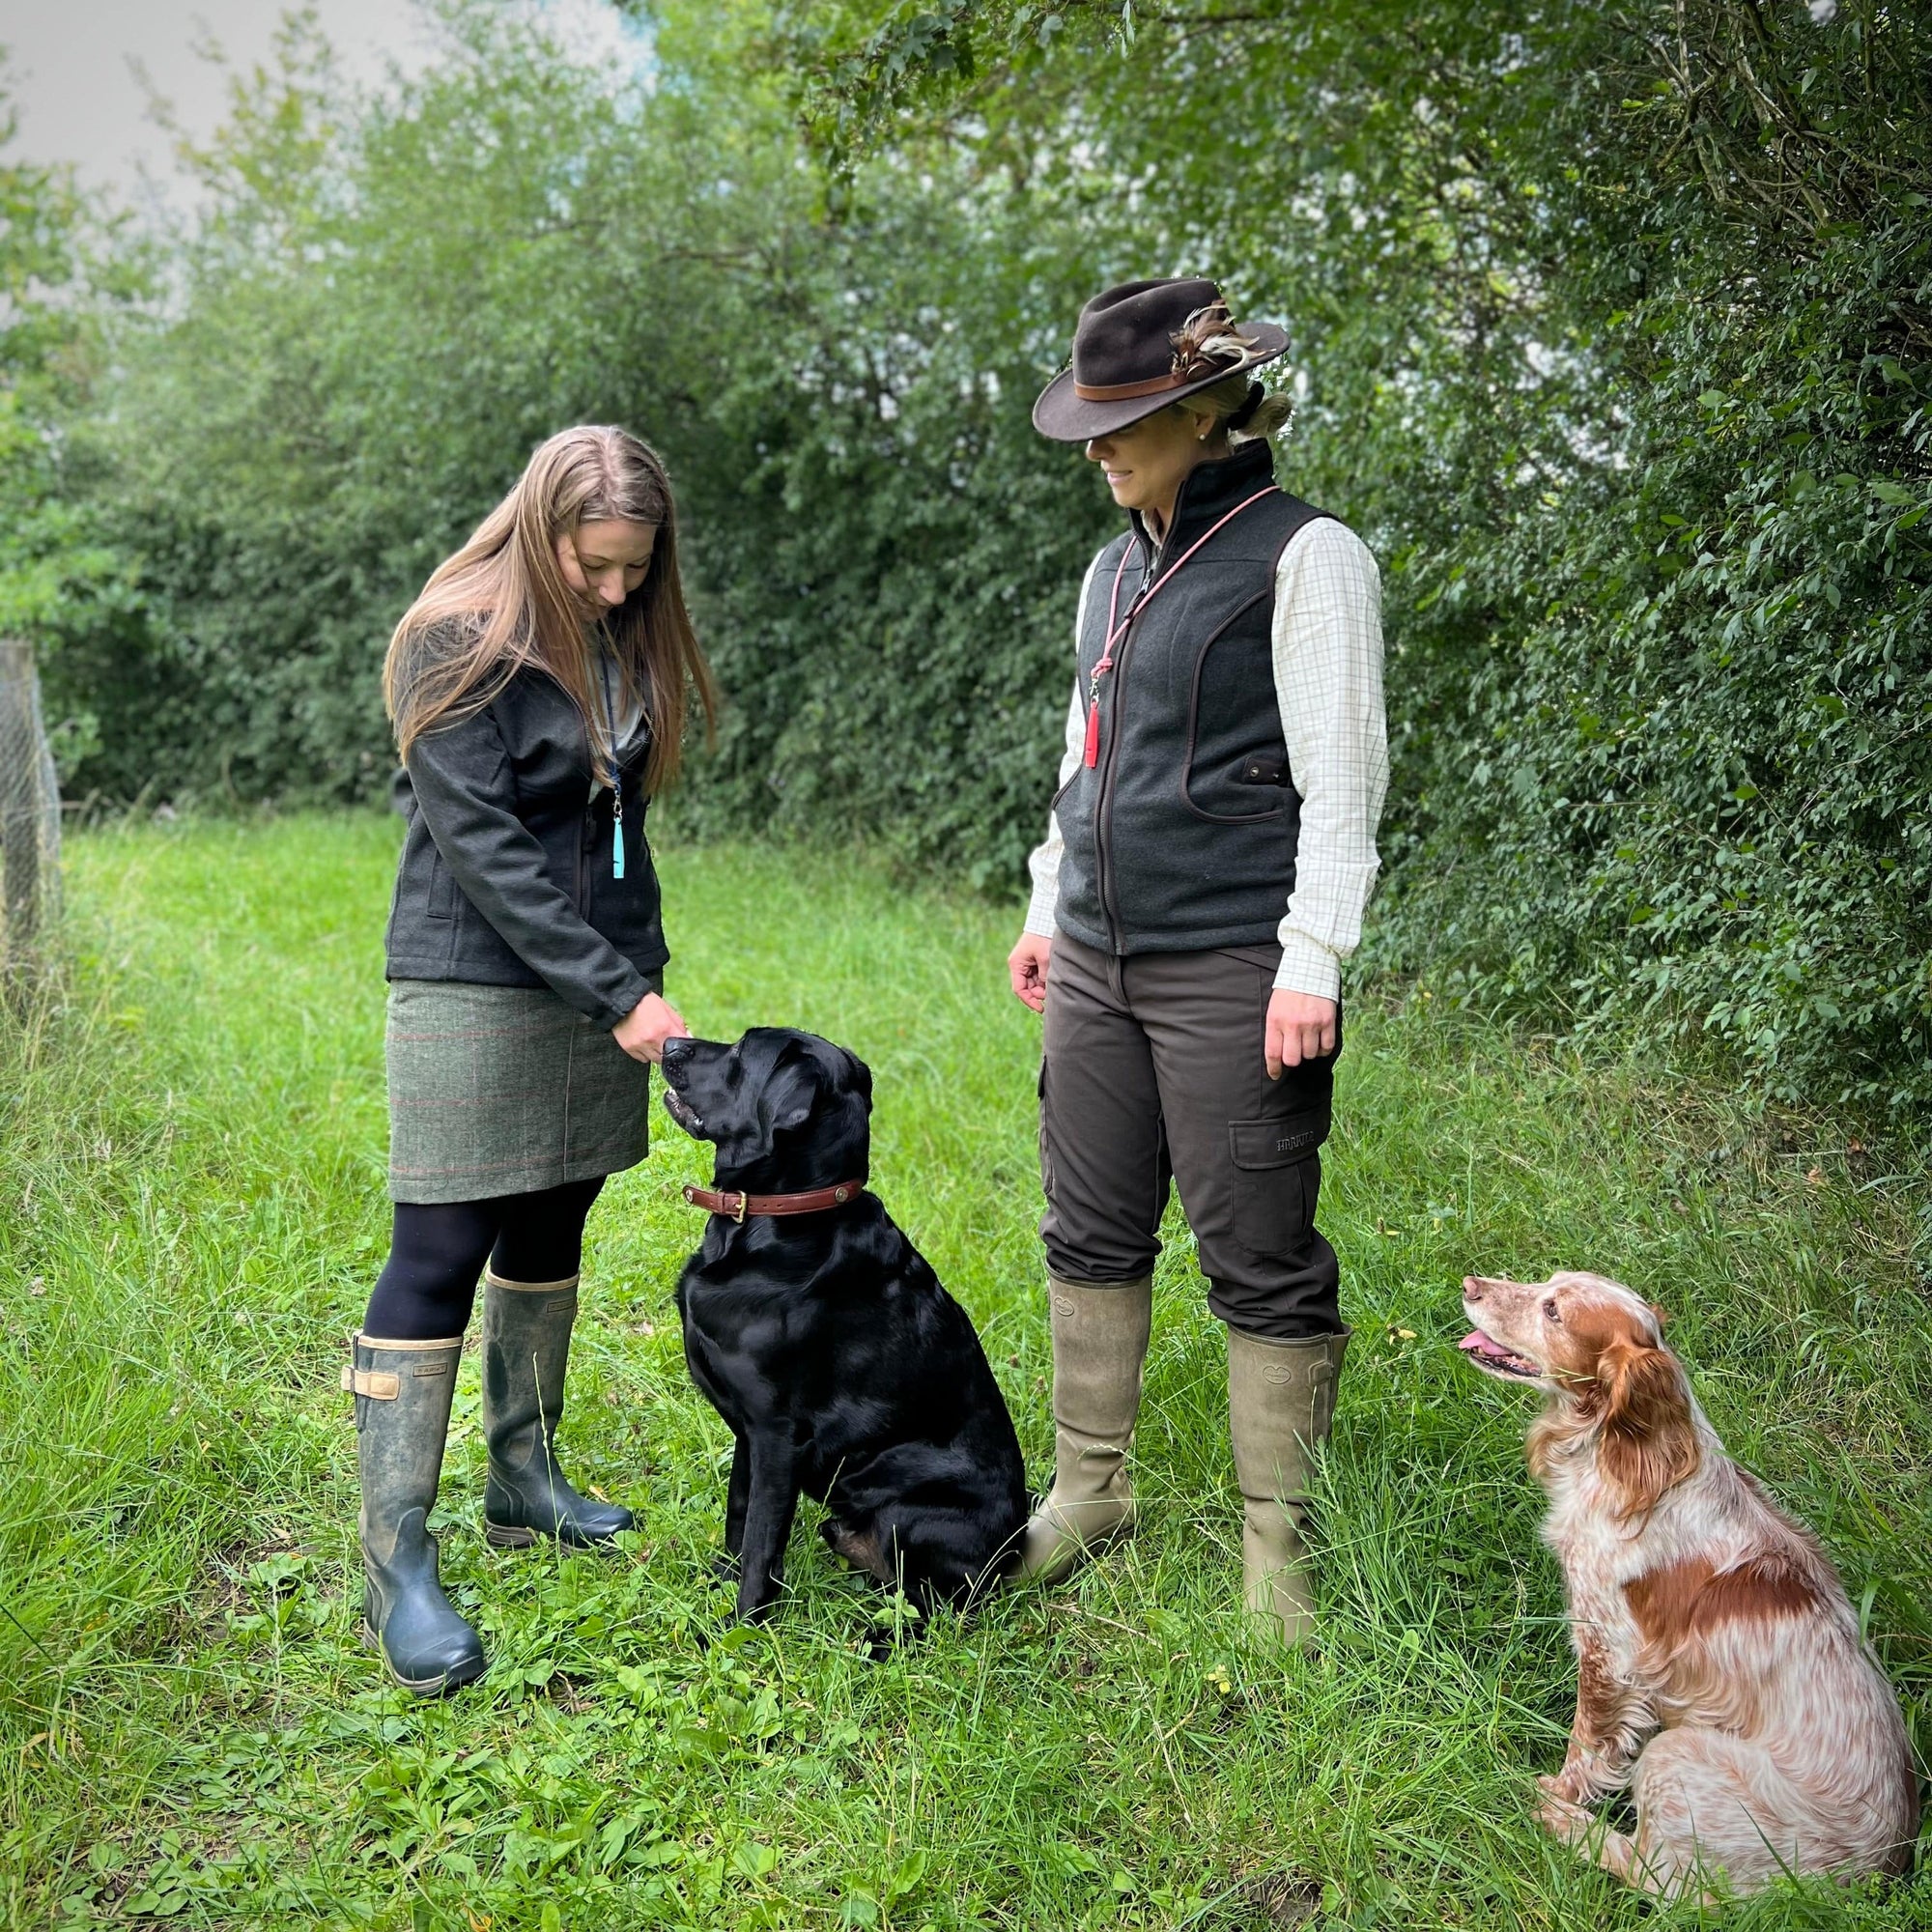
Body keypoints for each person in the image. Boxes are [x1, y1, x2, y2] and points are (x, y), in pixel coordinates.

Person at [1008, 279, 1387, 1644]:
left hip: (1237, 958)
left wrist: (1314, 959)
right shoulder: (1114, 567)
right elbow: (1085, 749)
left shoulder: (1307, 555)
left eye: (1131, 423)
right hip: (1101, 952)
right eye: (1095, 427)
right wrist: (1052, 900)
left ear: (1212, 409)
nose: (1102, 450)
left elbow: (1344, 785)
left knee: (1260, 1254)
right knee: (1090, 1226)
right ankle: (1090, 1492)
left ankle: (1278, 1559)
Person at [341, 425, 717, 1693]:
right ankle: (393, 1559)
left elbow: (619, 828)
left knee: (555, 1216)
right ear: (539, 528)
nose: (618, 590)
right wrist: (622, 994)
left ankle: (523, 1482)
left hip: (597, 984)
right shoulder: (451, 636)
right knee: (441, 1247)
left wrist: (639, 973)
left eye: (636, 568)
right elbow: (487, 848)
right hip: (471, 975)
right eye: (596, 563)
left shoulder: (617, 634)